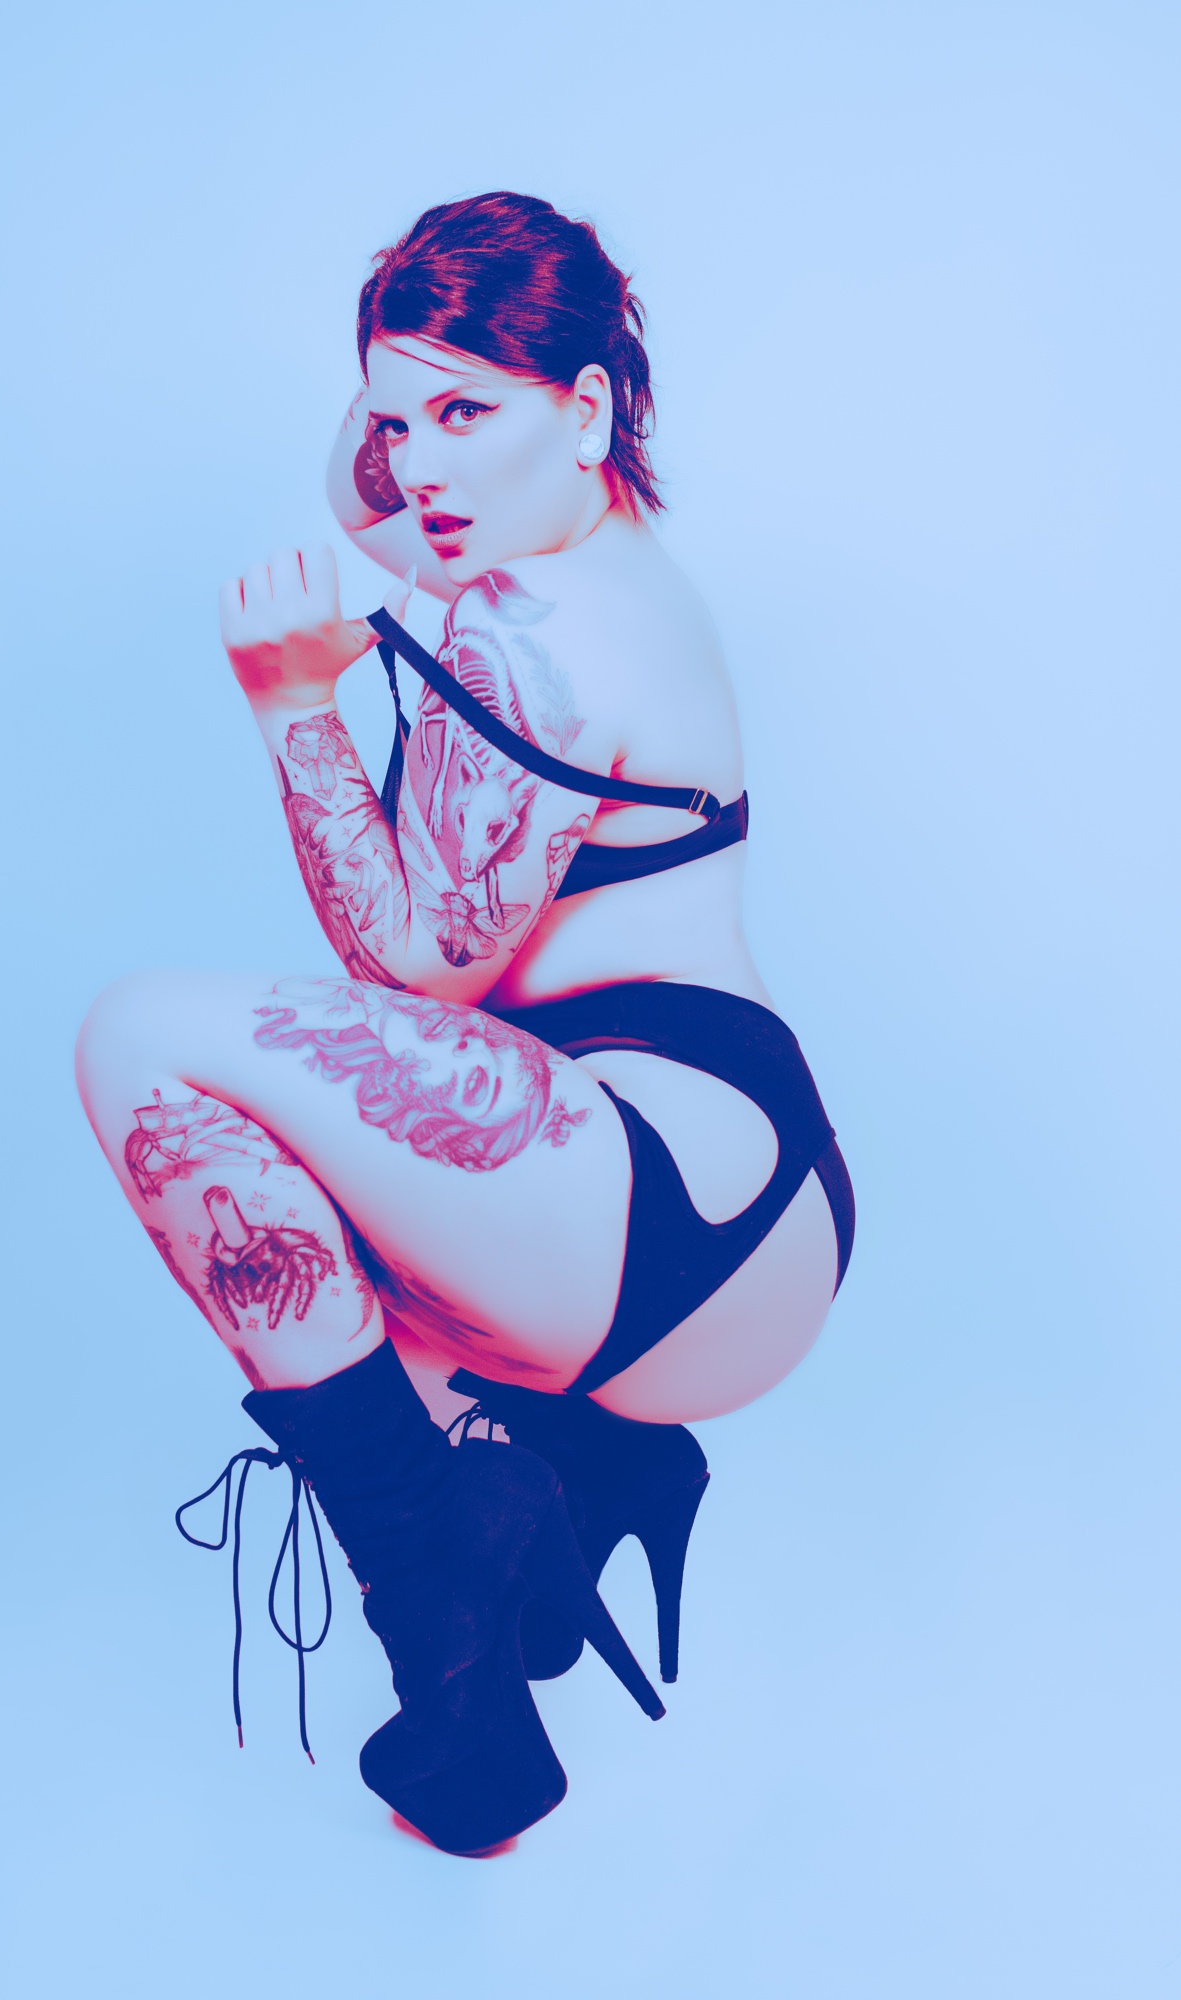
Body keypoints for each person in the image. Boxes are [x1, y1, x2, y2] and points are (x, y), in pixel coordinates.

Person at [76, 191, 854, 1856]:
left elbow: (409, 967)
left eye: (464, 414)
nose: (412, 467)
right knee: (306, 1176)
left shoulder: (536, 634)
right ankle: (556, 1504)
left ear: (584, 406)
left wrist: (291, 701)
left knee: (143, 1045)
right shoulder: (586, 546)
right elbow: (370, 494)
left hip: (658, 1214)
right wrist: (414, 380)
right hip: (728, 1198)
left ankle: (440, 1576)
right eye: (394, 416)